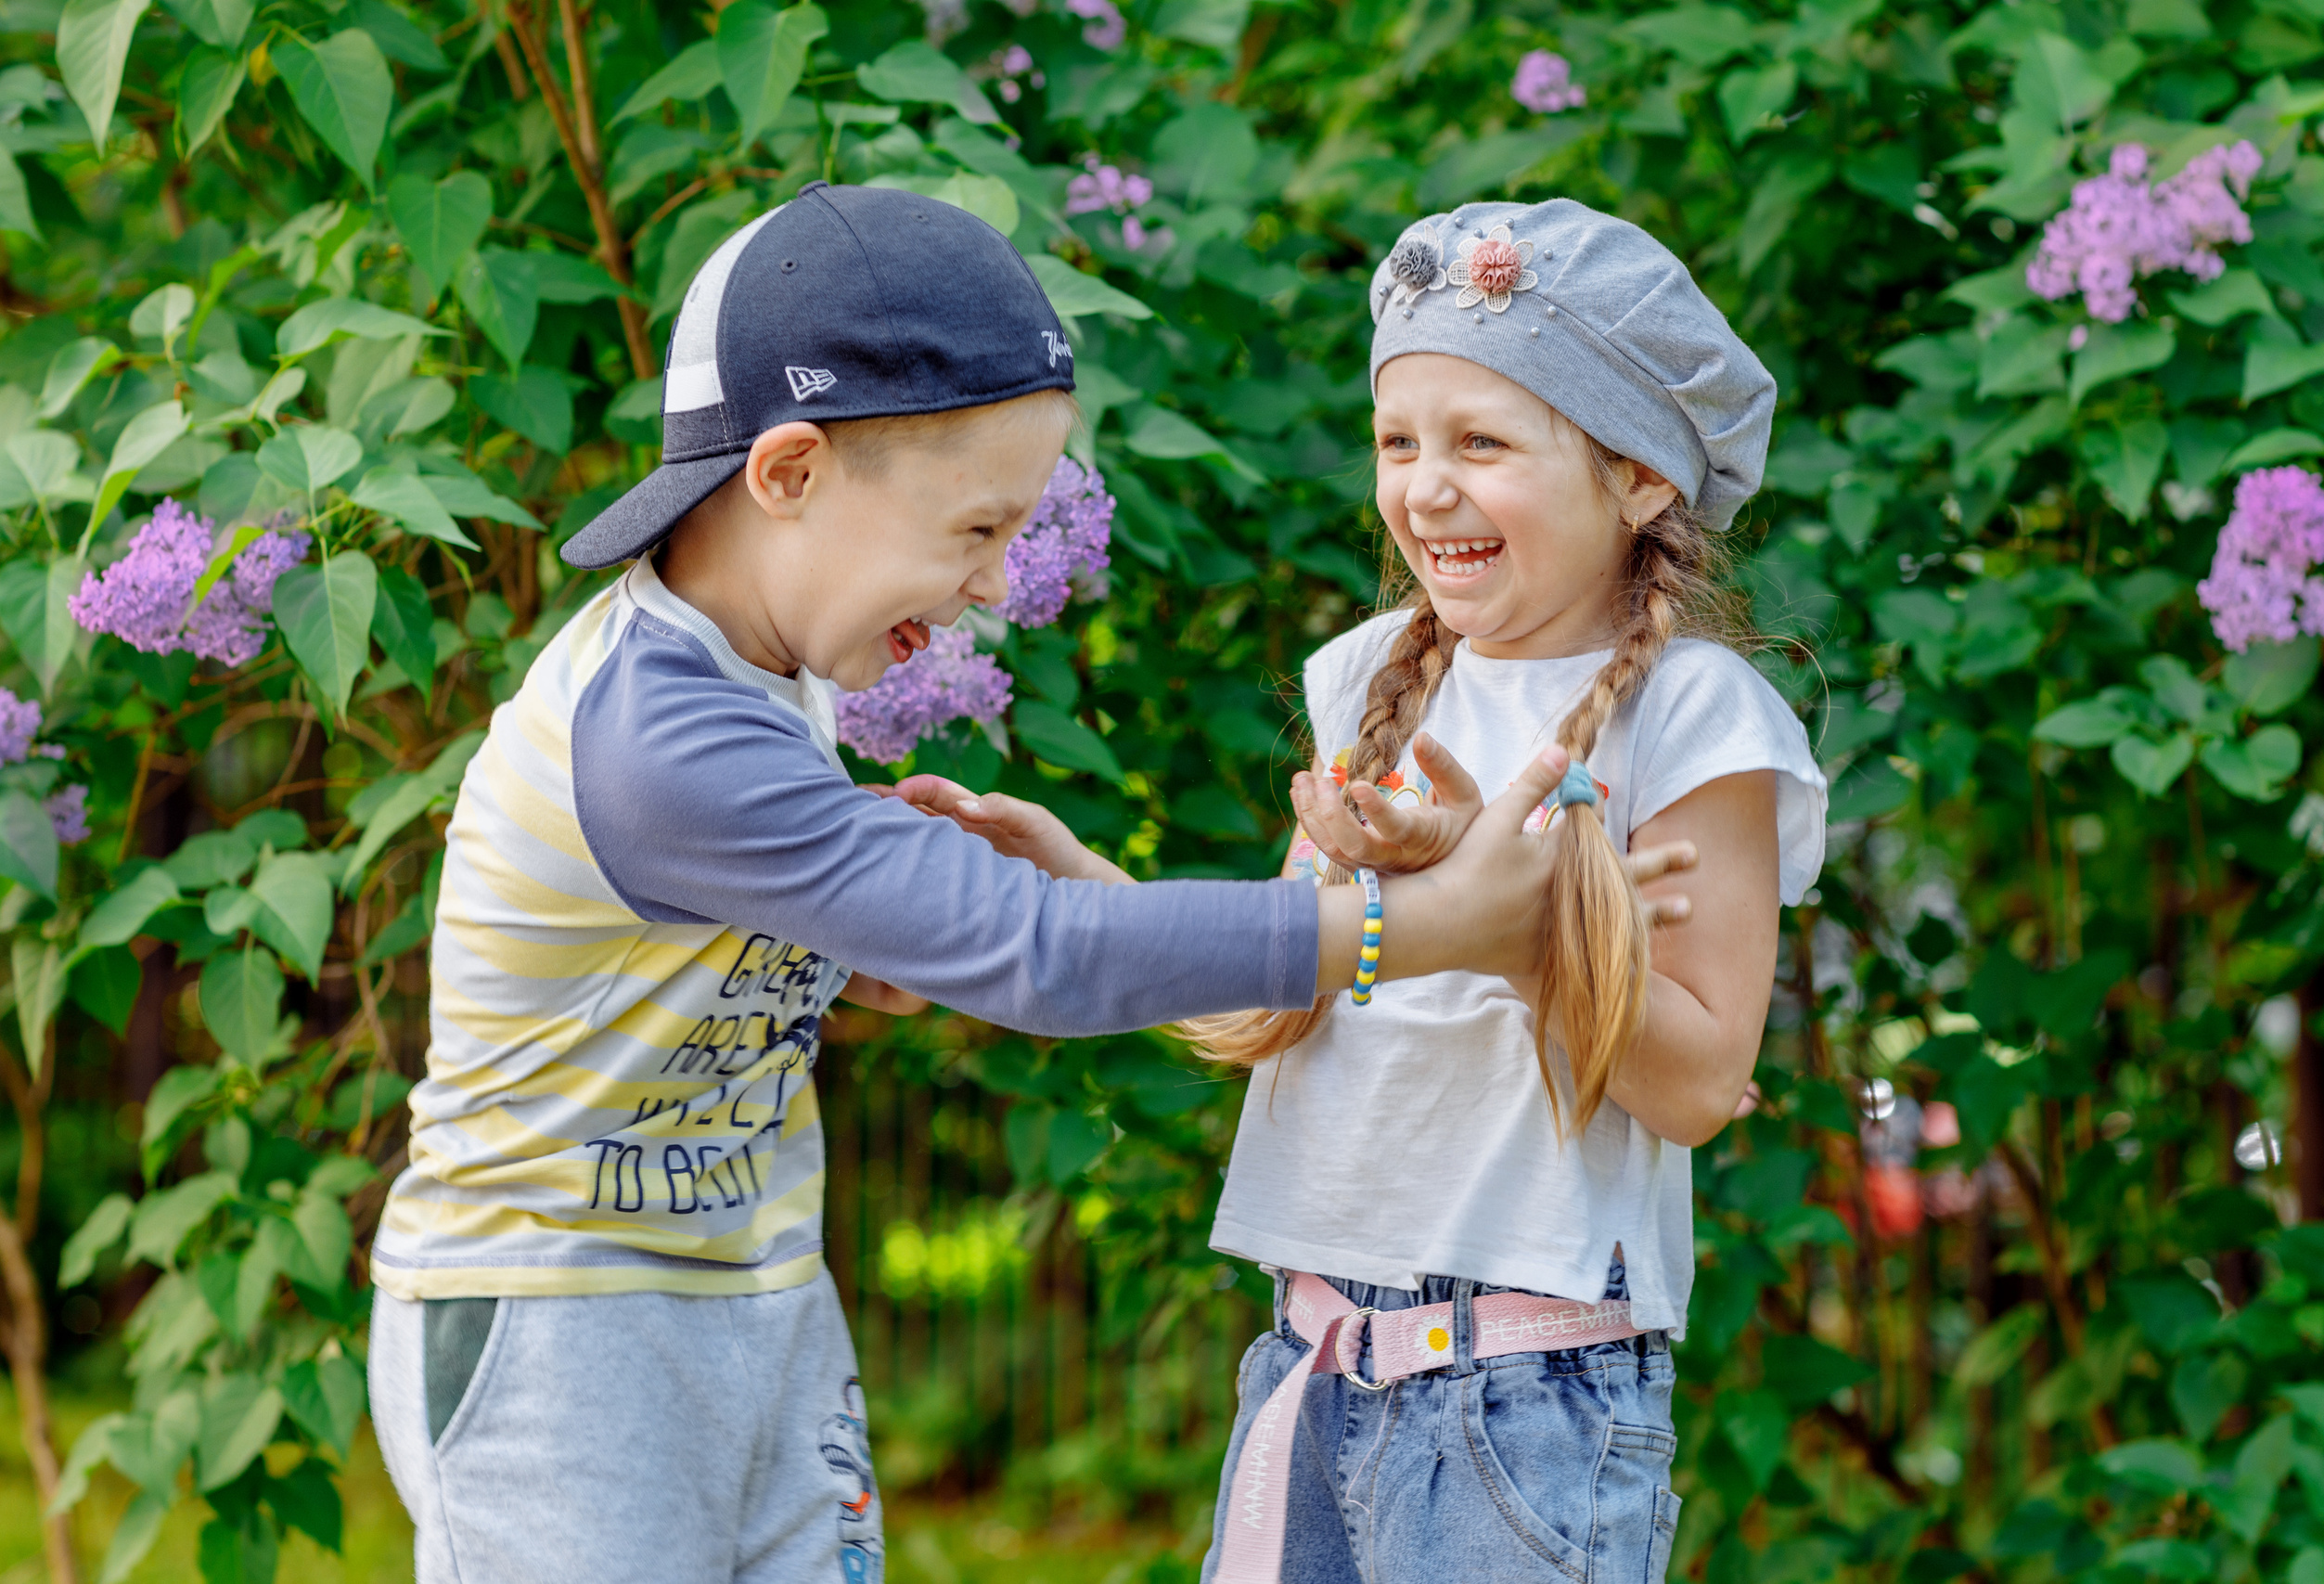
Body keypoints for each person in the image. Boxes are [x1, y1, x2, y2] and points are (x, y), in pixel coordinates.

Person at [363, 183, 1578, 1584]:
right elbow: (1042, 955)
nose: (999, 585)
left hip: (755, 1297)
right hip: (555, 1330)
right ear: (790, 474)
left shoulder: (759, 671)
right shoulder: (656, 729)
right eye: (976, 531)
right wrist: (1415, 927)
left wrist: (842, 945)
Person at [1183, 199, 1830, 1584]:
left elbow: (1704, 1084)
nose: (1424, 486)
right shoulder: (1361, 680)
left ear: (1642, 475)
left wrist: (1527, 924)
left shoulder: (1699, 717)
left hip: (1527, 1402)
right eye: (1398, 441)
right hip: (1304, 1358)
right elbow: (1287, 992)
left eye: (1483, 441)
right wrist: (1081, 888)